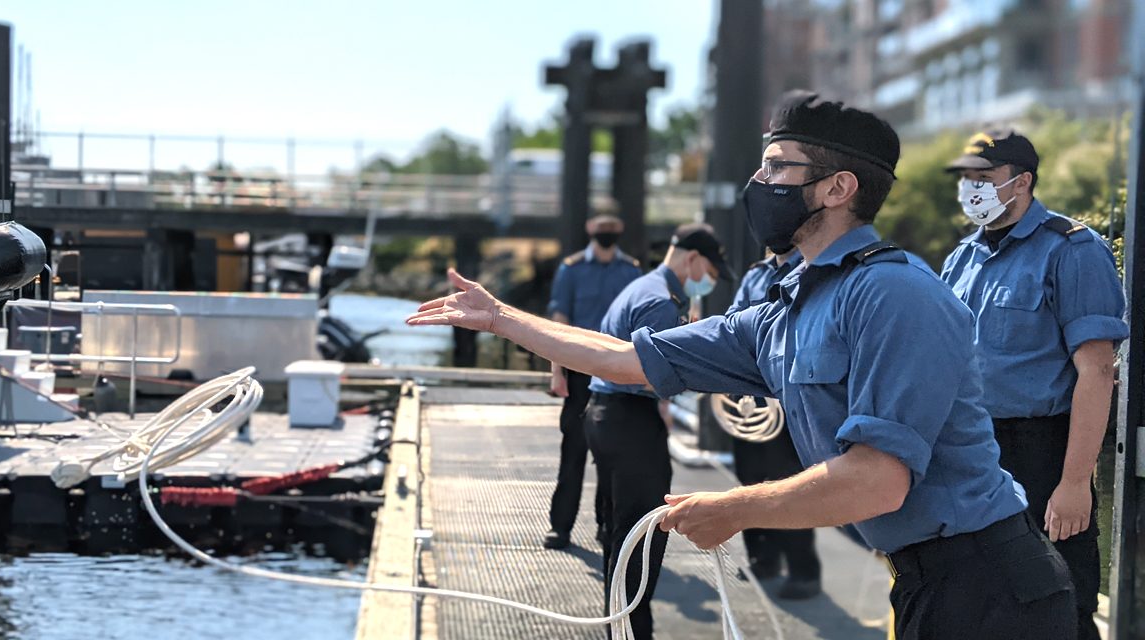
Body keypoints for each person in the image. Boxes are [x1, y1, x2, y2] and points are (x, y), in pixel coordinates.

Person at [408, 91, 1078, 639]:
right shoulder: (787, 308)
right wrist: (501, 318)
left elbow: (877, 481)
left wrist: (734, 508)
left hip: (990, 587)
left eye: (778, 167)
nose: (760, 184)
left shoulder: (894, 294)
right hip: (926, 581)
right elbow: (628, 359)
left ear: (838, 188)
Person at [939, 129, 1127, 640]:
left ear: (1021, 182)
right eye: (966, 177)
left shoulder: (1071, 249)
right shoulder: (961, 259)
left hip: (1041, 451)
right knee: (976, 602)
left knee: (1058, 602)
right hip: (971, 449)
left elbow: (1096, 372)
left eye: (983, 177)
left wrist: (1074, 482)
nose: (970, 188)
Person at [586, 222, 732, 638]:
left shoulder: (641, 286)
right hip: (631, 422)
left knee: (619, 534)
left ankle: (619, 629)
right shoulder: (660, 303)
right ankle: (633, 632)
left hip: (604, 413)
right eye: (710, 272)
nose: (708, 281)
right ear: (693, 259)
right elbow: (655, 373)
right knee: (641, 539)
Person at [723, 247, 822, 600]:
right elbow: (732, 324)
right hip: (751, 402)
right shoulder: (755, 275)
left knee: (790, 483)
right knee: (749, 478)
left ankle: (802, 570)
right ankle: (762, 558)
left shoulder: (813, 269)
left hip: (788, 397)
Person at [543, 212, 642, 550]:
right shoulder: (571, 269)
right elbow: (559, 321)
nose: (606, 232)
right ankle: (560, 527)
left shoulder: (631, 271)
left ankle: (606, 524)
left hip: (617, 373)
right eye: (601, 227)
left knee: (611, 456)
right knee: (572, 452)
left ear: (620, 229)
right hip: (579, 370)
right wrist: (556, 370)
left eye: (611, 227)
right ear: (589, 229)